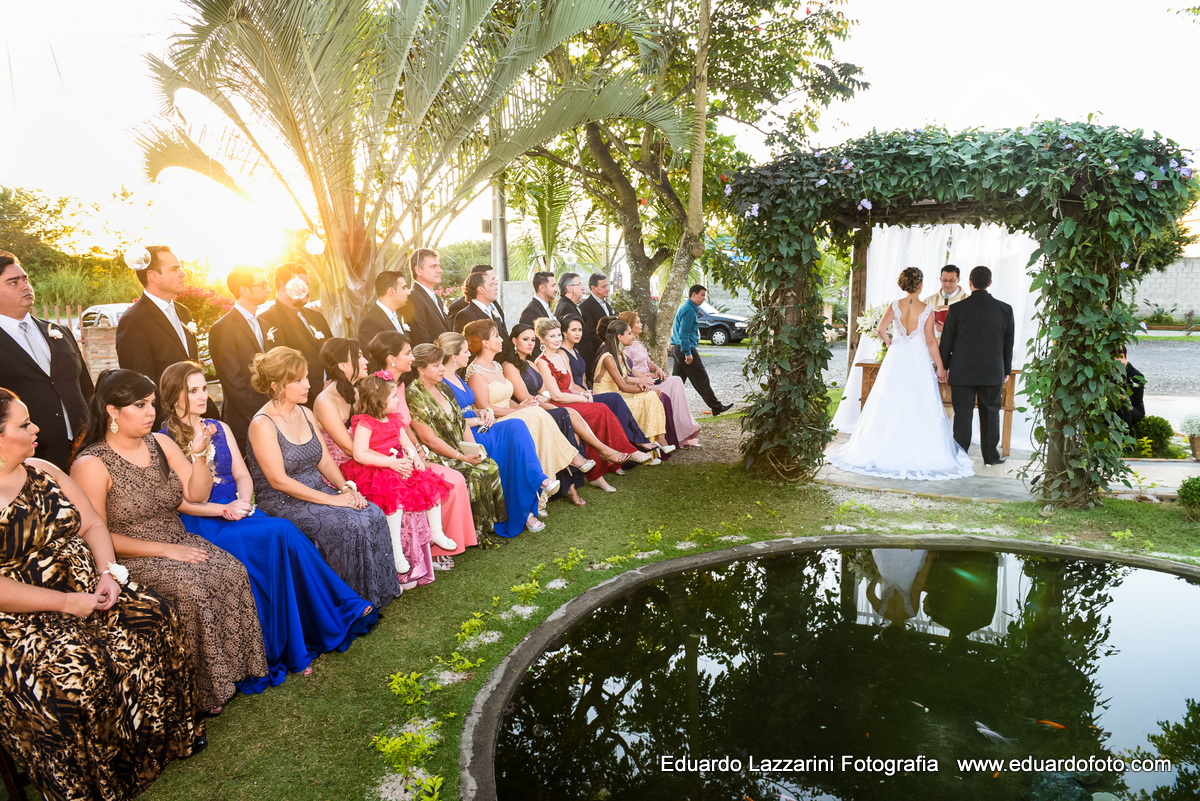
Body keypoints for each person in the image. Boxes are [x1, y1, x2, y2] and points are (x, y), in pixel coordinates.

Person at [0, 388, 204, 800]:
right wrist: (64, 602)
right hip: (23, 619)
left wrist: (108, 573)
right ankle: (101, 782)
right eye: (24, 424)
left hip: (92, 590)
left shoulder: (42, 468)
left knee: (156, 618)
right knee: (79, 672)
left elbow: (92, 523)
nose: (36, 427)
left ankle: (162, 743)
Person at [159, 361, 377, 691]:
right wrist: (224, 508)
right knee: (282, 532)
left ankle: (320, 622)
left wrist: (244, 502)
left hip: (241, 512)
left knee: (279, 534)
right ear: (174, 397)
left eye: (204, 388)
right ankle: (318, 624)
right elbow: (183, 499)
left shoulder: (220, 426)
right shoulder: (164, 439)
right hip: (205, 522)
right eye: (193, 391)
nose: (203, 395)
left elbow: (242, 475)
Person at [71, 369, 269, 714]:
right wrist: (165, 550)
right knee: (192, 586)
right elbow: (96, 534)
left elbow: (195, 493)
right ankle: (204, 691)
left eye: (151, 403)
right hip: (130, 554)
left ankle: (238, 671)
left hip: (178, 538)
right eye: (139, 404)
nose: (151, 412)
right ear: (113, 411)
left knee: (232, 571)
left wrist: (197, 456)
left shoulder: (159, 443)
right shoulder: (91, 463)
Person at [244, 348, 401, 610]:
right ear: (277, 386)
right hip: (283, 501)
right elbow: (278, 481)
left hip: (316, 489)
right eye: (298, 380)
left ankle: (373, 594)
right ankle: (342, 604)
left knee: (371, 512)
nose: (308, 384)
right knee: (343, 524)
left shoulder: (305, 413)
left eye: (306, 377)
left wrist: (347, 489)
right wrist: (334, 500)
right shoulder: (262, 424)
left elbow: (325, 460)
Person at [829, 267, 973, 480]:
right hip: (918, 359)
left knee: (889, 399)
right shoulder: (926, 309)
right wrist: (941, 367)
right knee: (919, 399)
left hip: (895, 357)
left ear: (904, 285)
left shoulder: (895, 306)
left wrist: (891, 342)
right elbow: (931, 341)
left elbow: (880, 329)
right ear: (921, 285)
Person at [364, 332, 479, 559]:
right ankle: (434, 550)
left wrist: (418, 451)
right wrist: (408, 456)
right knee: (451, 480)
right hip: (386, 458)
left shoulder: (399, 384)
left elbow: (404, 426)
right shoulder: (378, 388)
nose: (412, 357)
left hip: (408, 450)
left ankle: (448, 542)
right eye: (407, 353)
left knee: (451, 479)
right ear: (391, 359)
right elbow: (378, 431)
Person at [435, 331, 555, 537]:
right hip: (465, 435)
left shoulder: (455, 376)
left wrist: (484, 412)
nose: (468, 355)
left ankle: (539, 479)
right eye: (465, 352)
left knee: (516, 426)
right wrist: (477, 419)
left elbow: (471, 405)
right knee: (509, 450)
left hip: (479, 423)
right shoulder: (439, 382)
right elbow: (446, 421)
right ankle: (530, 502)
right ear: (454, 356)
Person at [341, 371, 455, 588]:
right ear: (378, 400)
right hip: (377, 469)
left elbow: (406, 444)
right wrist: (391, 463)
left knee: (429, 482)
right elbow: (360, 454)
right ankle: (396, 551)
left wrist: (415, 459)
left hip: (399, 464)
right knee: (395, 496)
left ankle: (437, 533)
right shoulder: (365, 423)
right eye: (393, 397)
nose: (396, 401)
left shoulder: (394, 420)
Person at [463, 319, 593, 507]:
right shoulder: (475, 372)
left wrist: (522, 405)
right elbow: (485, 409)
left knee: (536, 411)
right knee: (537, 414)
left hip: (510, 413)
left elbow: (507, 398)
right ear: (484, 342)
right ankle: (570, 460)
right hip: (495, 422)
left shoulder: (497, 366)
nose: (501, 340)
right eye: (496, 336)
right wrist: (519, 409)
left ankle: (554, 477)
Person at [507, 323, 638, 490]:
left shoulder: (531, 364)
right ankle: (605, 454)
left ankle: (609, 457)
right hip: (534, 409)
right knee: (577, 413)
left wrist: (580, 394)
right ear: (514, 341)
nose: (530, 343)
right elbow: (527, 397)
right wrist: (551, 402)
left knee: (594, 410)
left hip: (545, 403)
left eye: (532, 339)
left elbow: (545, 391)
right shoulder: (515, 365)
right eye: (526, 339)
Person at [533, 317, 654, 491]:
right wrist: (582, 398)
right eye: (552, 336)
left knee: (601, 408)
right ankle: (617, 456)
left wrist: (585, 393)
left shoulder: (561, 356)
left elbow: (571, 386)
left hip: (571, 397)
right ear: (542, 339)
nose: (558, 339)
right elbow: (557, 395)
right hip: (559, 404)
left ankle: (614, 459)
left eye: (559, 335)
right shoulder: (542, 361)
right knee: (599, 410)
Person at [0, 251, 94, 470]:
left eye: (25, 279)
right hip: (30, 456)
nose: (25, 286)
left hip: (85, 450)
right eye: (13, 282)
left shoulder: (59, 331)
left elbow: (87, 389)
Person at [408, 343, 509, 539]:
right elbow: (429, 438)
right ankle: (474, 533)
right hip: (438, 454)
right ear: (421, 369)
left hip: (457, 447)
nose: (442, 369)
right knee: (475, 474)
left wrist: (474, 450)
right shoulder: (414, 394)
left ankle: (488, 525)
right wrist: (461, 457)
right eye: (436, 365)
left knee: (489, 464)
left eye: (441, 364)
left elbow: (461, 423)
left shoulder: (444, 387)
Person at [115, 245, 217, 422]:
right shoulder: (134, 320)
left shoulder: (183, 312)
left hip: (197, 417)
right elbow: (140, 384)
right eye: (175, 269)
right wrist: (171, 424)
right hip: (167, 422)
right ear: (153, 276)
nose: (183, 273)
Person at [939, 265, 1015, 466]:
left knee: (962, 413)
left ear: (969, 283)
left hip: (962, 371)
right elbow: (1009, 344)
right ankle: (990, 457)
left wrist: (943, 367)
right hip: (993, 371)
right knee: (990, 412)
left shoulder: (956, 309)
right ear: (990, 283)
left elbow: (947, 341)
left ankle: (961, 456)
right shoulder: (1005, 309)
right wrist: (1006, 369)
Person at [559, 314, 651, 448]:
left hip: (585, 392)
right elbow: (570, 384)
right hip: (575, 396)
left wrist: (587, 391)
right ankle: (635, 442)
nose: (578, 333)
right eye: (574, 330)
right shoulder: (562, 353)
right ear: (564, 332)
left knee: (616, 398)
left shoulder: (575, 351)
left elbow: (583, 379)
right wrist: (586, 394)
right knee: (615, 398)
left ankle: (636, 442)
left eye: (580, 330)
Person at [208, 264, 270, 451]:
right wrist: (261, 414)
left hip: (272, 414)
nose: (268, 288)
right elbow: (232, 381)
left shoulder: (266, 324)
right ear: (244, 289)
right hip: (245, 419)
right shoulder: (222, 328)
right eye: (263, 284)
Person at [619, 310, 702, 448]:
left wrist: (657, 369)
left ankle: (684, 429)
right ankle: (677, 433)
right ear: (630, 325)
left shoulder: (639, 343)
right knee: (674, 383)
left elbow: (648, 362)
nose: (641, 324)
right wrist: (647, 376)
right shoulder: (626, 347)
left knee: (676, 380)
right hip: (641, 381)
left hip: (651, 377)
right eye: (638, 322)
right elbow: (629, 369)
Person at [593, 318, 675, 454]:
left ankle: (659, 440)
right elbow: (623, 386)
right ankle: (652, 444)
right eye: (629, 334)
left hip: (618, 393)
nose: (632, 337)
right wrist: (643, 388)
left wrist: (640, 382)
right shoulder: (608, 357)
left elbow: (625, 378)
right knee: (649, 396)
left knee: (650, 397)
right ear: (620, 337)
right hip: (607, 396)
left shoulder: (621, 355)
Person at [257, 263, 333, 408]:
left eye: (307, 285)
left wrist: (333, 385)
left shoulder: (317, 317)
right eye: (300, 284)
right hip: (301, 402)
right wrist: (317, 388)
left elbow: (332, 352)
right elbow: (282, 366)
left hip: (331, 396)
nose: (306, 290)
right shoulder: (267, 320)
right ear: (282, 285)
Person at [670, 284, 733, 416]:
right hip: (685, 349)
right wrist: (688, 353)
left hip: (678, 348)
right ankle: (716, 407)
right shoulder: (688, 310)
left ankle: (668, 408)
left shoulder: (688, 308)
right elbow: (684, 333)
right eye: (702, 295)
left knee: (677, 382)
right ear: (694, 294)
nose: (704, 298)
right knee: (701, 378)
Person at [401, 248, 452, 346]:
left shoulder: (436, 298)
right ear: (418, 270)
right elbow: (422, 341)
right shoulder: (413, 299)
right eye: (433, 266)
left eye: (439, 266)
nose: (440, 270)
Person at [358, 270, 411, 352]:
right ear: (391, 291)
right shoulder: (371, 322)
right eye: (404, 288)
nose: (408, 292)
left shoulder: (397, 316)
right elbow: (371, 358)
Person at [452, 270, 508, 339]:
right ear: (480, 289)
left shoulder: (493, 312)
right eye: (491, 285)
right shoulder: (465, 315)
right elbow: (462, 344)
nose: (495, 288)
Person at [922, 264, 969, 336]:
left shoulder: (968, 301)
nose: (947, 284)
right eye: (944, 280)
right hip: (934, 344)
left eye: (951, 280)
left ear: (958, 280)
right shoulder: (928, 301)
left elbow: (971, 329)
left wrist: (949, 330)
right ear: (940, 279)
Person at [579, 272, 614, 366]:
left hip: (610, 350)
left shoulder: (607, 305)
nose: (608, 289)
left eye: (607, 285)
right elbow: (589, 331)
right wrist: (606, 344)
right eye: (604, 286)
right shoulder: (585, 307)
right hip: (596, 353)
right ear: (593, 288)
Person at [1116, 346, 1146, 430]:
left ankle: (1127, 438)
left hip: (1134, 409)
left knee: (1123, 405)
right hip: (1114, 407)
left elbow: (1137, 400)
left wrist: (1124, 397)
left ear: (1122, 356)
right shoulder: (1112, 374)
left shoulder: (1136, 375)